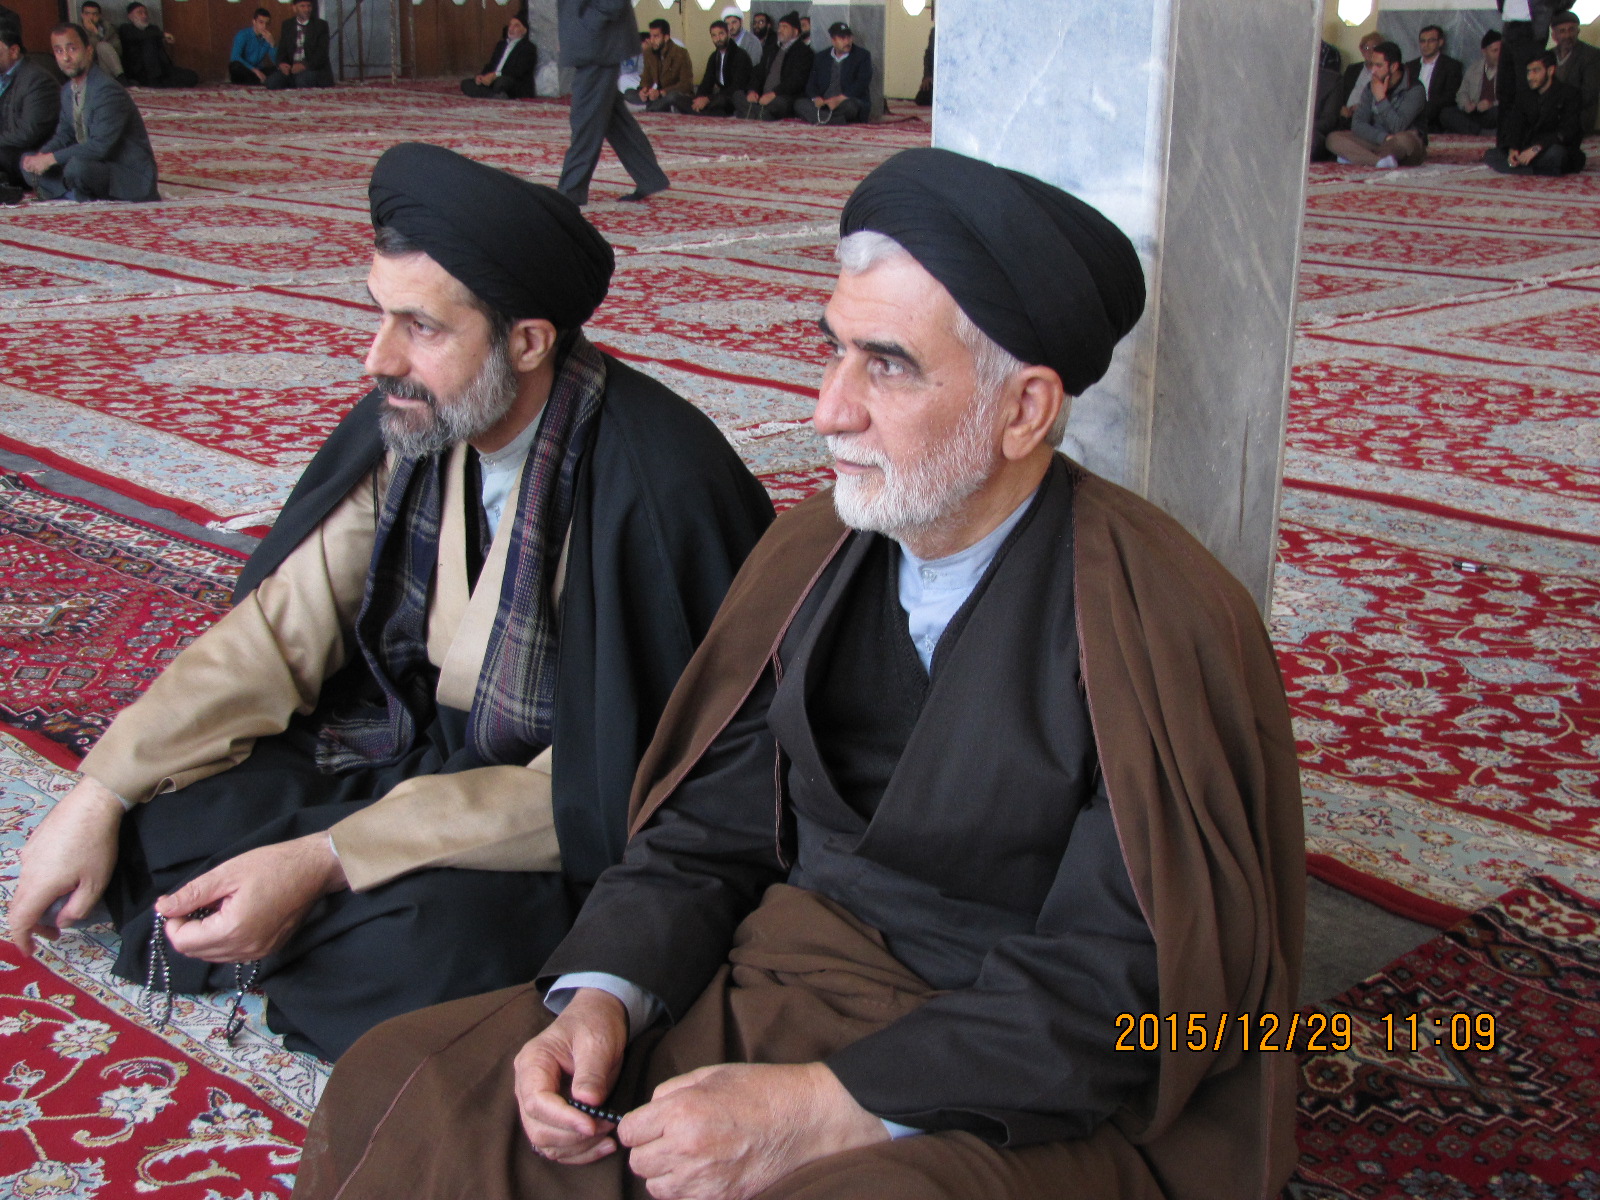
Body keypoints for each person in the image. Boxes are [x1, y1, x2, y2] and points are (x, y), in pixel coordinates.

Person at [292, 145, 1305, 1200]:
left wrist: (826, 1108)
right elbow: (708, 828)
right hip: (776, 987)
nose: (829, 408)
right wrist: (604, 995)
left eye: (888, 366)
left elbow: (1131, 983)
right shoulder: (816, 551)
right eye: (833, 352)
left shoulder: (1158, 617)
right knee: (407, 1085)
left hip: (1003, 1076)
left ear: (1025, 410)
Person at [7, 143, 774, 1062]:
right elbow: (279, 635)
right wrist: (99, 791)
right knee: (157, 822)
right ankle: (285, 923)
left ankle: (303, 929)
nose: (379, 359)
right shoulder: (420, 424)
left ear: (528, 342)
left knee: (426, 949)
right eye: (380, 314)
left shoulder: (656, 488)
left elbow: (620, 783)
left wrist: (327, 857)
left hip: (550, 812)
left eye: (421, 327)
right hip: (409, 743)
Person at [21, 23, 158, 202]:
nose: (66, 57)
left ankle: (66, 192)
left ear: (88, 51)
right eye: (59, 51)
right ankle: (73, 192)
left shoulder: (107, 90)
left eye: (72, 49)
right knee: (26, 160)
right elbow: (64, 135)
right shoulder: (67, 91)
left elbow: (100, 147)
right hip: (91, 164)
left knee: (77, 168)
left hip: (125, 172)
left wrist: (51, 159)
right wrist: (41, 157)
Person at [555, 0, 669, 205]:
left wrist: (588, 24)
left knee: (585, 119)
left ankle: (570, 192)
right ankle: (649, 177)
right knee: (614, 120)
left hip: (598, 46)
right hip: (593, 42)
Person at [1325, 41, 1427, 167]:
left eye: (1378, 65)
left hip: (1402, 142)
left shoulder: (1414, 89)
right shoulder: (1371, 86)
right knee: (1333, 138)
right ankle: (1379, 161)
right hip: (1377, 139)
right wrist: (1382, 137)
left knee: (1404, 140)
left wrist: (1381, 99)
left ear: (1393, 67)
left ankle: (1361, 157)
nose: (1373, 70)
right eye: (1372, 65)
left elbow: (1398, 127)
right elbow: (1357, 123)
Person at [1486, 50, 1588, 173]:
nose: (1530, 77)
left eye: (1536, 71)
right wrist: (1513, 148)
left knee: (1556, 155)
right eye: (1529, 71)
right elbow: (1516, 124)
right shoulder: (1525, 95)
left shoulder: (1569, 94)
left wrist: (1537, 148)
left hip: (1552, 147)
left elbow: (1568, 131)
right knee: (1491, 155)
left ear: (1550, 71)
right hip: (1529, 149)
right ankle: (1530, 169)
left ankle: (1523, 169)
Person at [1, 24, 58, 198]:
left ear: (14, 51)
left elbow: (28, 133)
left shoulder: (37, 80)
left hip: (28, 155)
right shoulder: (4, 77)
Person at [1496, 0, 1558, 147]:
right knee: (1505, 89)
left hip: (1530, 28)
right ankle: (1505, 144)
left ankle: (1523, 144)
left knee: (1525, 89)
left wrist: (1549, 6)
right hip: (1509, 25)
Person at [735, 10, 811, 120]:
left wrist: (773, 94)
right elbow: (758, 72)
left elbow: (796, 80)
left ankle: (751, 111)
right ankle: (760, 113)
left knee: (780, 104)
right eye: (779, 27)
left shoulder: (804, 52)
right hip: (762, 96)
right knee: (737, 95)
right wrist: (753, 90)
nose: (780, 30)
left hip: (782, 96)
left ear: (795, 31)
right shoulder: (771, 49)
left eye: (784, 27)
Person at [796, 21, 871, 125]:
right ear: (833, 40)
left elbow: (862, 83)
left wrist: (839, 99)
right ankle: (833, 119)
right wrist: (816, 98)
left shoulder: (862, 56)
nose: (847, 42)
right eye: (842, 38)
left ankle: (821, 117)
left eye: (849, 37)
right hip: (824, 102)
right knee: (799, 103)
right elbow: (811, 83)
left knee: (851, 107)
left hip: (845, 101)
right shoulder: (821, 57)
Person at [673, 19, 751, 116]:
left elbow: (737, 86)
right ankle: (703, 112)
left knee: (720, 101)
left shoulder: (740, 55)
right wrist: (699, 98)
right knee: (675, 98)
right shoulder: (714, 57)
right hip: (717, 98)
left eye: (721, 34)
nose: (718, 38)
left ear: (728, 34)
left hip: (734, 98)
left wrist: (708, 99)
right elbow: (707, 81)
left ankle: (704, 113)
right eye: (714, 35)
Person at [118, 1, 197, 88]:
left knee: (192, 76)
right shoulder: (126, 28)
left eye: (145, 13)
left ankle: (159, 83)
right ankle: (156, 82)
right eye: (140, 13)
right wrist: (162, 35)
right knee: (149, 43)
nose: (144, 16)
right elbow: (141, 35)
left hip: (162, 70)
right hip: (140, 71)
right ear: (130, 16)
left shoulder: (153, 29)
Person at [462, 15, 537, 100]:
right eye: (510, 25)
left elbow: (518, 71)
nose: (511, 28)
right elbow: (491, 64)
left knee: (501, 83)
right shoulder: (501, 45)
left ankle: (493, 93)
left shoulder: (528, 47)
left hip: (514, 82)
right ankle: (495, 95)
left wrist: (495, 75)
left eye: (516, 26)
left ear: (524, 31)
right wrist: (482, 76)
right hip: (494, 80)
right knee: (466, 84)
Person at [1404, 24, 1463, 132]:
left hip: (1435, 113)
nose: (1425, 45)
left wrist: (1427, 107)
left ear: (1440, 42)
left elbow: (1451, 95)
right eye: (1422, 41)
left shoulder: (1451, 65)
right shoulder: (1410, 66)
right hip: (1411, 109)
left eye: (1431, 41)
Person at [1442, 30, 1501, 134]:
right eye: (1495, 51)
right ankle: (1479, 131)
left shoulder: (1509, 70)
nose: (1499, 55)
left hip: (1493, 112)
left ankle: (1473, 130)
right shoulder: (1474, 69)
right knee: (1446, 113)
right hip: (1474, 113)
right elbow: (1462, 92)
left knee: (1498, 112)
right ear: (1484, 52)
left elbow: (1512, 99)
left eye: (1501, 50)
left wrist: (1492, 104)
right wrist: (1466, 105)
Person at [1551, 9, 1600, 133]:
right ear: (1554, 36)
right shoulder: (1549, 56)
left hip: (1577, 118)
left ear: (1578, 31)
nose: (1568, 35)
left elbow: (1589, 95)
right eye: (1562, 31)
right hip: (1551, 114)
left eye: (1571, 30)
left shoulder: (1591, 55)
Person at [268, 0, 334, 89]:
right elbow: (282, 49)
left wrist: (304, 65)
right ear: (294, 8)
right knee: (272, 82)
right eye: (302, 6)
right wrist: (281, 64)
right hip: (292, 69)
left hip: (312, 69)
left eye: (309, 6)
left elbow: (322, 54)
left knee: (302, 80)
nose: (306, 9)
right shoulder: (287, 25)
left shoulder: (321, 25)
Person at [631, 18, 691, 112]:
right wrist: (644, 90)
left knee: (672, 97)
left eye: (656, 37)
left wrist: (661, 92)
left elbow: (686, 84)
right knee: (629, 93)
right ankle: (655, 106)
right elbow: (646, 77)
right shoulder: (649, 52)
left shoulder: (680, 53)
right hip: (656, 94)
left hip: (672, 93)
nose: (652, 40)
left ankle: (651, 109)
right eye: (651, 36)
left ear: (666, 37)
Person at [1338, 30, 1385, 126]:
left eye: (1374, 47)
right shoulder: (1352, 69)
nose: (1370, 51)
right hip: (1345, 115)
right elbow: (1340, 93)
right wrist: (1341, 108)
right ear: (1362, 51)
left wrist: (1362, 108)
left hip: (1367, 119)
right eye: (1366, 48)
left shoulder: (1383, 72)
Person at [229, 7, 277, 85]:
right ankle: (258, 81)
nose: (264, 26)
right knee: (235, 66)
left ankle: (255, 81)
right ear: (254, 22)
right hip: (245, 69)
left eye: (267, 24)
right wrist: (254, 70)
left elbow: (276, 61)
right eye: (261, 22)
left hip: (258, 70)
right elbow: (235, 57)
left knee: (278, 69)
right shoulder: (243, 34)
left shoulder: (268, 37)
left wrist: (272, 44)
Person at [78, 1, 123, 81]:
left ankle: (121, 78)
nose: (91, 17)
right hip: (89, 66)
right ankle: (121, 79)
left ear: (99, 16)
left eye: (94, 14)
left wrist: (97, 34)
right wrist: (93, 33)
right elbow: (83, 54)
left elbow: (118, 49)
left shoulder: (108, 28)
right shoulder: (77, 31)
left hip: (108, 65)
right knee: (101, 45)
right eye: (87, 14)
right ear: (82, 15)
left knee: (103, 46)